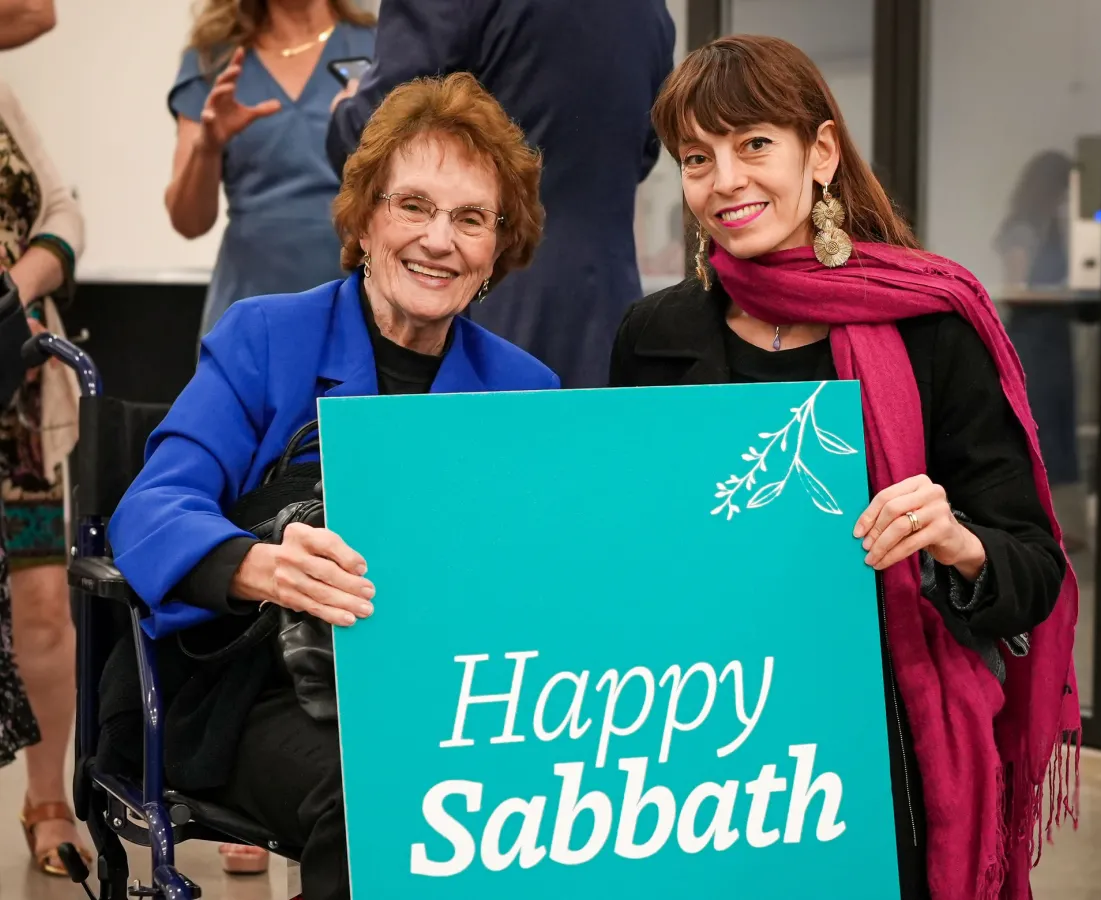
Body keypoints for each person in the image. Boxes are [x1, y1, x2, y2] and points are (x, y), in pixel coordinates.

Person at [608, 36, 1078, 900]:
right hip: (697, 736)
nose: (726, 180)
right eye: (697, 159)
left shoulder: (932, 322)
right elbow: (632, 548)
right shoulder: (654, 334)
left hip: (886, 739)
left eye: (754, 145)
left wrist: (956, 541)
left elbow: (1033, 565)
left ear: (820, 153)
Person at [100, 73, 555, 900]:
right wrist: (256, 562)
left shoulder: (525, 390)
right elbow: (152, 510)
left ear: (498, 248)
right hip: (255, 686)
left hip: (451, 697)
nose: (439, 239)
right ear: (365, 218)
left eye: (470, 218)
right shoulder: (266, 337)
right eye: (413, 205)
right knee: (385, 790)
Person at [326, 0, 675, 388]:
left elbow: (378, 139)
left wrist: (346, 112)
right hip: (609, 317)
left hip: (478, 315)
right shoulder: (648, 9)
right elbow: (644, 150)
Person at [167, 0, 374, 340]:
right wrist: (208, 147)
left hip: (358, 305)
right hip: (251, 308)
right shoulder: (213, 59)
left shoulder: (376, 46)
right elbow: (188, 221)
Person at [0, 74, 88, 876]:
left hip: (15, 403)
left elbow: (62, 212)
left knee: (44, 602)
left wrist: (14, 288)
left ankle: (48, 798)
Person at [994, 151, 1087, 549]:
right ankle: (1041, 529)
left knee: (1061, 430)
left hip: (1055, 338)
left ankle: (1064, 529)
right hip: (1034, 337)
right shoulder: (1024, 228)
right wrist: (1062, 293)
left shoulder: (1053, 227)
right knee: (1041, 430)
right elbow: (1017, 288)